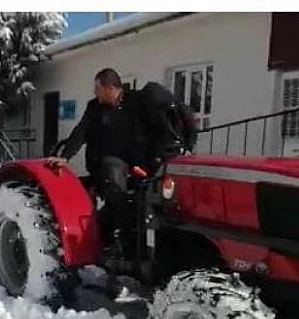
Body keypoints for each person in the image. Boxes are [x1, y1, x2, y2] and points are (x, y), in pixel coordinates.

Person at [46, 68, 197, 268]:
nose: (95, 92)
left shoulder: (137, 102)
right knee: (113, 171)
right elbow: (80, 132)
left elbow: (158, 128)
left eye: (97, 88)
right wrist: (64, 157)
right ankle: (121, 238)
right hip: (108, 167)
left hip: (139, 165)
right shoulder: (95, 108)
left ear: (110, 88)